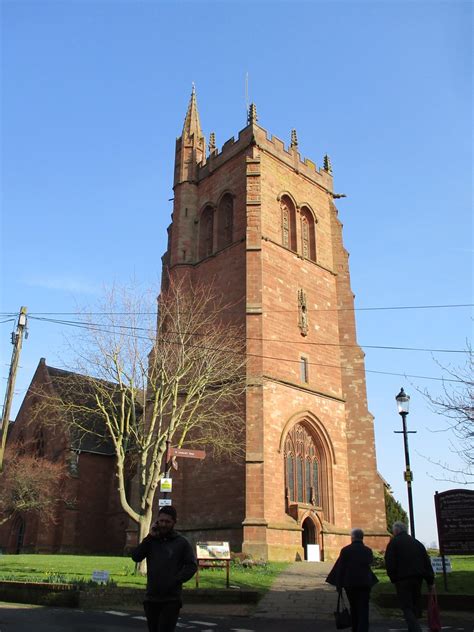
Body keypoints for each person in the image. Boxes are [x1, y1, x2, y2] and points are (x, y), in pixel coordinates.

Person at [131, 506, 197, 632]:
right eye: (161, 521)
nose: (164, 524)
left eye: (167, 522)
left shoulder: (181, 543)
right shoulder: (151, 541)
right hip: (151, 598)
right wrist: (149, 537)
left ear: (174, 523)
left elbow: (191, 565)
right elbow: (136, 556)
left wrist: (176, 580)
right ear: (157, 521)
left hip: (171, 599)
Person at [384, 521, 434, 632]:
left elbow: (389, 562)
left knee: (406, 606)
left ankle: (415, 628)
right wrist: (430, 581)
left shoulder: (394, 543)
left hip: (402, 579)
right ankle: (414, 626)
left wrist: (393, 578)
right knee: (415, 603)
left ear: (396, 531)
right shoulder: (417, 543)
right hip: (417, 578)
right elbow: (426, 562)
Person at [326, 528, 378, 632]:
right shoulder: (368, 550)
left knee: (353, 606)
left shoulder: (346, 550)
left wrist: (339, 585)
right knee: (363, 608)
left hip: (350, 584)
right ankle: (363, 629)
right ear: (362, 538)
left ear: (352, 537)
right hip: (364, 583)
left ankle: (355, 628)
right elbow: (370, 563)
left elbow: (341, 568)